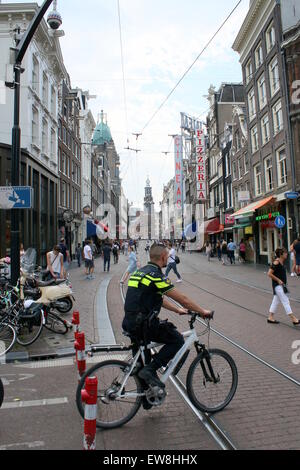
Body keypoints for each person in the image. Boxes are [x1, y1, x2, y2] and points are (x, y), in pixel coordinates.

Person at [122, 243, 212, 402]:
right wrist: (202, 311)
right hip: (143, 325)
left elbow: (158, 298)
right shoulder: (156, 275)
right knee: (176, 339)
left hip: (130, 323)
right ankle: (150, 370)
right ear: (163, 257)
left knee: (142, 362)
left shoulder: (139, 273)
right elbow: (182, 299)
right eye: (167, 257)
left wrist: (176, 310)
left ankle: (147, 398)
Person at [267, 248, 300, 326]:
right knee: (285, 301)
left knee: (275, 301)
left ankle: (270, 317)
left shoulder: (281, 262)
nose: (286, 254)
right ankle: (293, 319)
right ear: (281, 254)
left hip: (281, 285)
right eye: (285, 253)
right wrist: (278, 280)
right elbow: (269, 273)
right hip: (277, 286)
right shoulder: (276, 262)